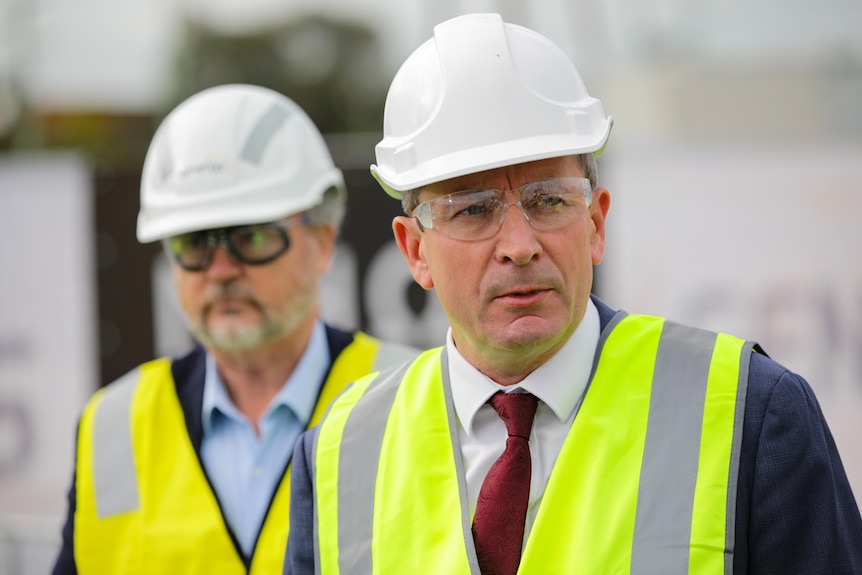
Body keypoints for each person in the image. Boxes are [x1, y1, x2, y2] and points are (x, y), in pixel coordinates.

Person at [284, 13, 862, 575]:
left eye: (549, 200)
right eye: (473, 209)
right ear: (414, 251)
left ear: (596, 223)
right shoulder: (339, 457)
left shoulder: (755, 415)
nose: (518, 244)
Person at [52, 83, 419, 575]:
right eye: (194, 242)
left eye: (252, 236)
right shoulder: (111, 426)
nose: (221, 269)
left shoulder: (413, 396)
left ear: (323, 241)